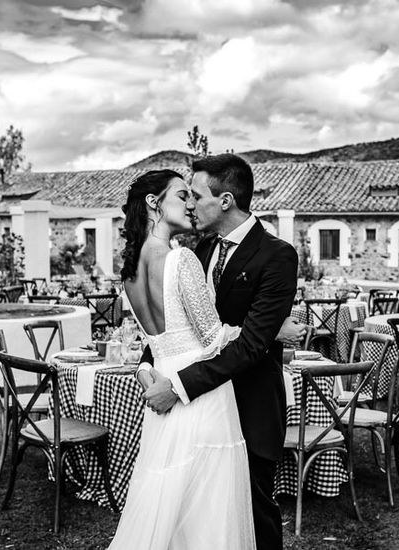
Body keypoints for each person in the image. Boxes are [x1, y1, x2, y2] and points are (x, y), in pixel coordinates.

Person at [143, 153, 299, 550]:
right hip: (203, 415)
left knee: (253, 516)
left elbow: (250, 347)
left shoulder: (276, 255)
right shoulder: (201, 249)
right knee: (200, 522)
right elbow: (180, 323)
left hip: (249, 407)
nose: (190, 204)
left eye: (195, 195)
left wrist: (177, 387)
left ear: (225, 200)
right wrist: (148, 365)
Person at [107, 169, 255, 549]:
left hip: (163, 383)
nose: (191, 204)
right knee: (206, 504)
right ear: (154, 203)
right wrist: (268, 330)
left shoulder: (129, 270)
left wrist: (148, 375)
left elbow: (154, 344)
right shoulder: (181, 258)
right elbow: (213, 339)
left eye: (193, 196)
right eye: (182, 195)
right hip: (199, 392)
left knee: (168, 497)